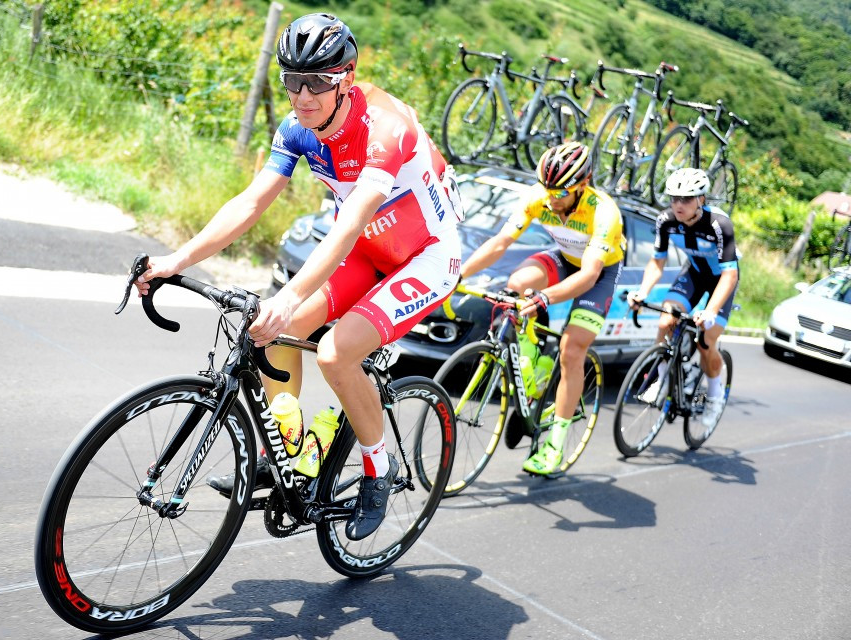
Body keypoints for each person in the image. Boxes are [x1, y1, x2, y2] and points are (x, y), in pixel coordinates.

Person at [134, 13, 461, 540]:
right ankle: (289, 454)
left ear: (346, 77)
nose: (303, 96)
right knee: (272, 334)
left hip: (422, 257)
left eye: (317, 82)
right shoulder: (297, 129)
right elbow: (250, 203)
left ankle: (379, 470)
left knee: (334, 353)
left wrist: (287, 296)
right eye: (292, 80)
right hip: (365, 249)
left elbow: (349, 225)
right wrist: (177, 259)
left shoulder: (385, 128)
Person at [458, 142, 625, 475]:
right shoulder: (539, 196)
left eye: (560, 192)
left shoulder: (604, 212)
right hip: (564, 257)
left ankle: (555, 445)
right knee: (517, 284)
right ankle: (531, 359)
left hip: (599, 271)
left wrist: (546, 298)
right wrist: (459, 275)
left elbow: (589, 275)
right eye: (547, 189)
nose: (551, 198)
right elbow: (500, 242)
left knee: (571, 350)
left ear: (583, 184)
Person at [627, 167, 739, 429]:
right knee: (666, 321)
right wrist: (642, 292)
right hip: (694, 274)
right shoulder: (665, 220)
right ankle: (662, 379)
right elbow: (657, 262)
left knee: (705, 342)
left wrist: (710, 311)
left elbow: (730, 275)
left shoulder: (718, 224)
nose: (678, 204)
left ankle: (714, 396)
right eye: (673, 198)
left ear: (701, 199)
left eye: (686, 199)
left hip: (722, 280)